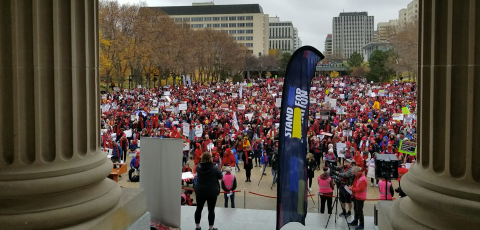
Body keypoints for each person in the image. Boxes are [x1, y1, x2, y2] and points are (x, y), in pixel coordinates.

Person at [194, 153, 222, 230]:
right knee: (211, 210)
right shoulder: (215, 168)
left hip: (200, 191)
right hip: (212, 192)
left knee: (199, 209)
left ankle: (197, 226)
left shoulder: (198, 167)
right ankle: (211, 228)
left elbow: (197, 169)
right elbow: (220, 177)